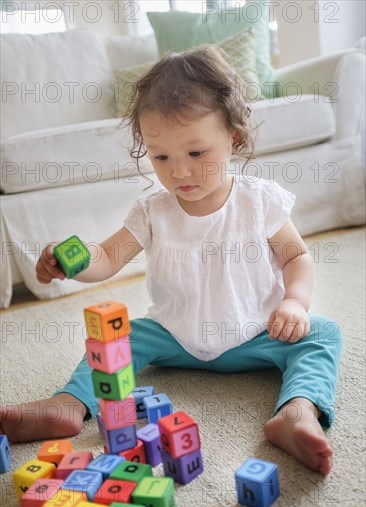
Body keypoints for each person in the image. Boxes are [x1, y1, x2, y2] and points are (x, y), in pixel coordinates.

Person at [0, 46, 342, 475]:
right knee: (119, 339)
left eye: (196, 154)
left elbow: (297, 258)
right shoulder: (152, 211)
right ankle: (69, 403)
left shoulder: (259, 200)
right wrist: (73, 260)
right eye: (162, 157)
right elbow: (107, 257)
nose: (179, 172)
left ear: (233, 138)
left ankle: (296, 412)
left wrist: (294, 301)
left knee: (322, 334)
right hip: (173, 337)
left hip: (257, 330)